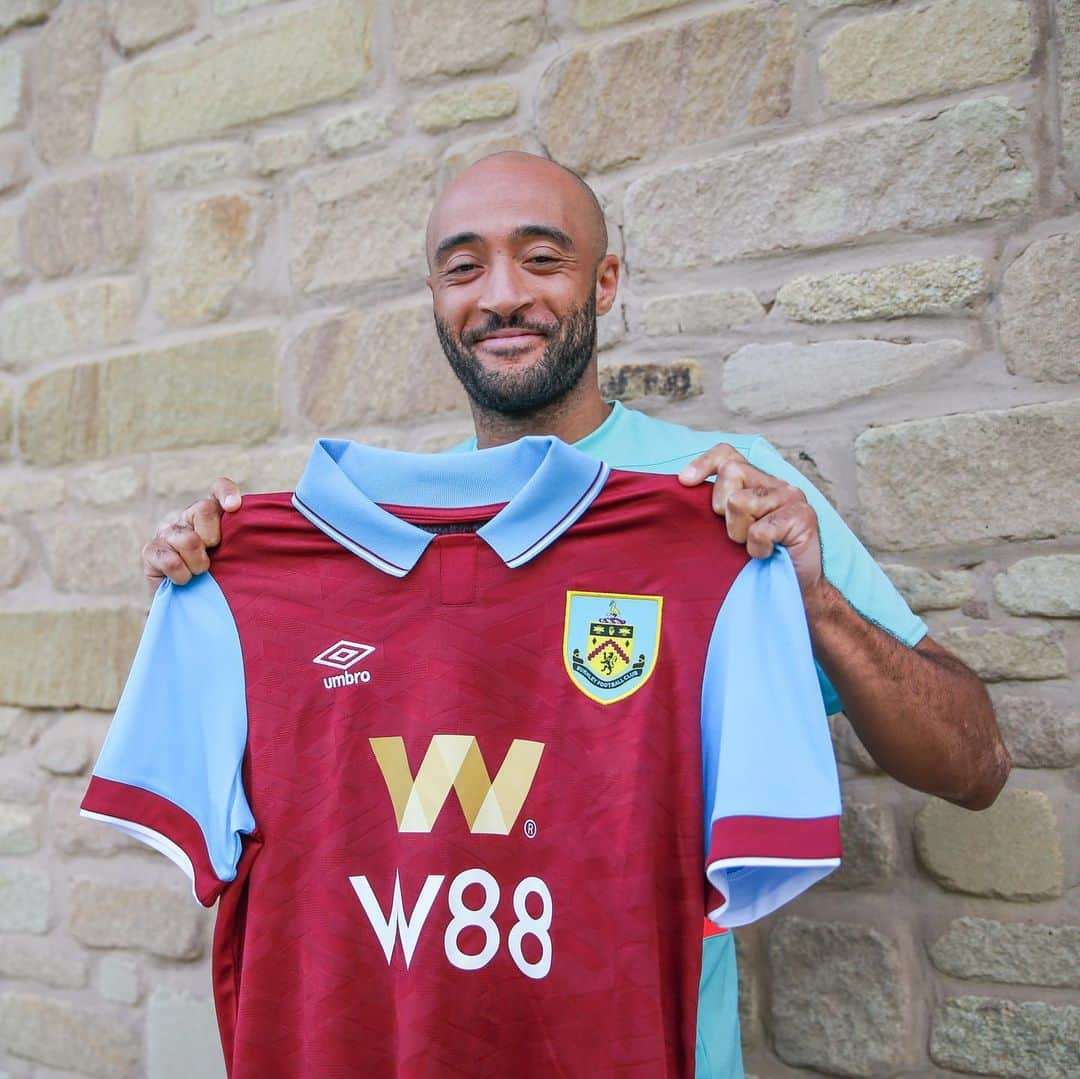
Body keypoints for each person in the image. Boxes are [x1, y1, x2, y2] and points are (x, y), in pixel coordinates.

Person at [138, 151, 1009, 1078]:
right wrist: (208, 584)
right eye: (464, 267)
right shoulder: (358, 533)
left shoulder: (725, 500)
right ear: (435, 295)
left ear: (606, 281)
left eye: (542, 259)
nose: (502, 295)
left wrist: (811, 598)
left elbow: (975, 766)